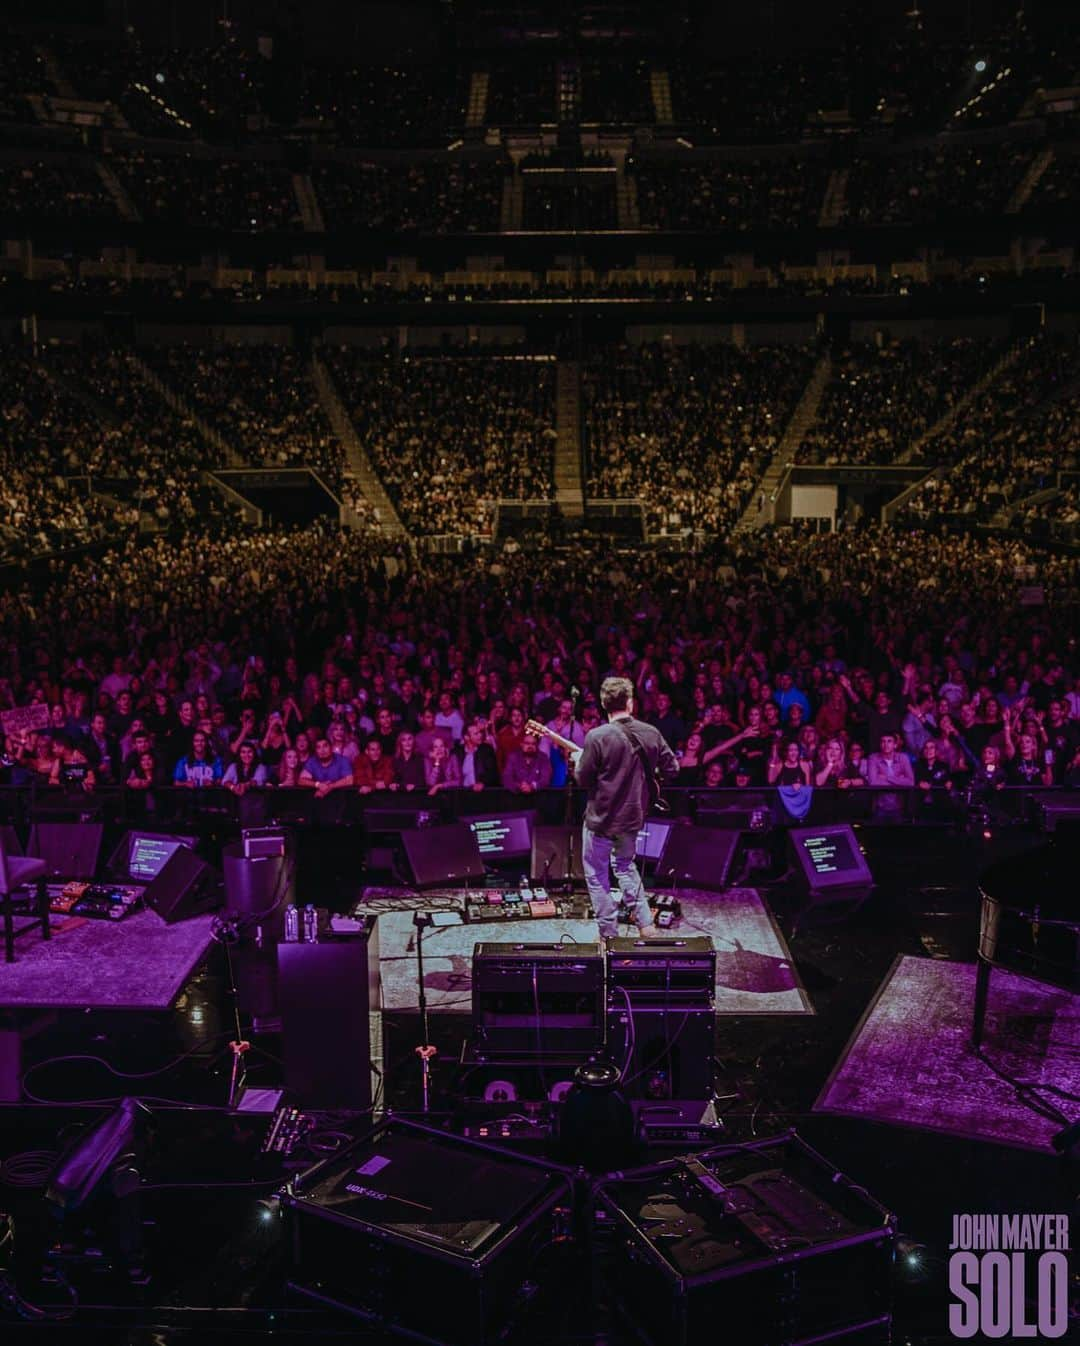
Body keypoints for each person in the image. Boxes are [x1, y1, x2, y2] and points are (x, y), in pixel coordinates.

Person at [574, 676, 679, 946]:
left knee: (597, 876)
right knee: (624, 867)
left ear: (603, 704)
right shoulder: (651, 732)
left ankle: (609, 934)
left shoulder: (596, 736)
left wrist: (578, 761)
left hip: (600, 820)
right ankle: (645, 922)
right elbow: (673, 769)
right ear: (630, 703)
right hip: (632, 819)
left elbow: (583, 781)